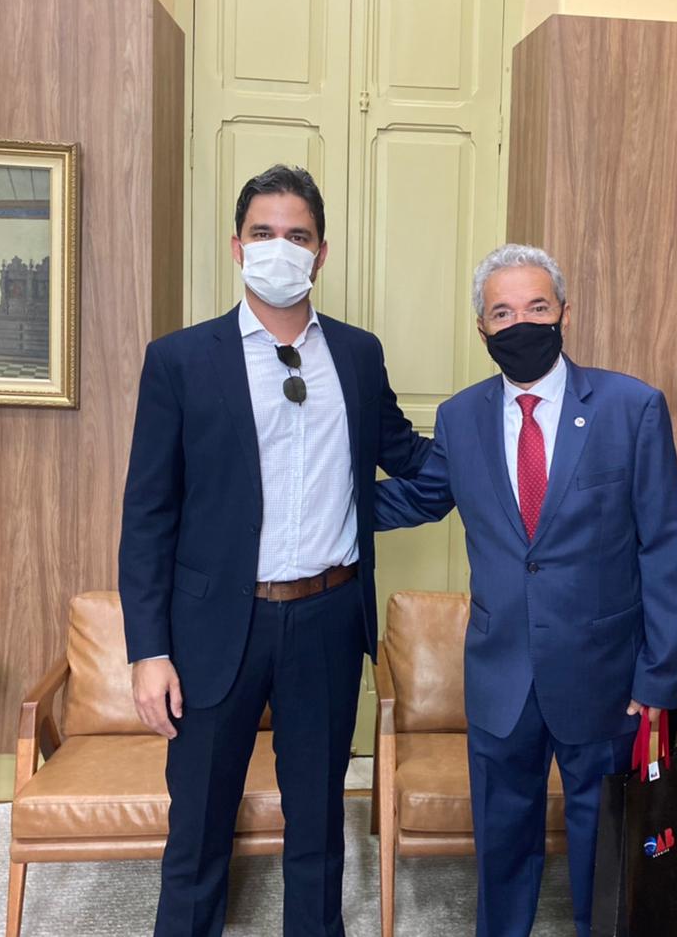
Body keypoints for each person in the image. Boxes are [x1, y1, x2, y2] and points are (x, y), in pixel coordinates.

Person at [119, 164, 430, 937]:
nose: (280, 248)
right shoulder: (180, 360)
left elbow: (406, 456)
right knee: (197, 829)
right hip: (213, 627)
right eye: (264, 233)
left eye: (297, 235)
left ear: (321, 253)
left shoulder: (357, 355)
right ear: (237, 247)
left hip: (327, 618)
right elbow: (148, 515)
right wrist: (148, 651)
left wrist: (499, 440)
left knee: (318, 827)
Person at [375, 244, 677, 937]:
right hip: (501, 675)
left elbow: (665, 549)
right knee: (503, 845)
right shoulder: (461, 417)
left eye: (537, 307)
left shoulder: (631, 407)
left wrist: (659, 680)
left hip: (606, 677)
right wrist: (309, 509)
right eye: (503, 312)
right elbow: (421, 497)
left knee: (604, 848)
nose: (521, 323)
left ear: (564, 314)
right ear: (482, 328)